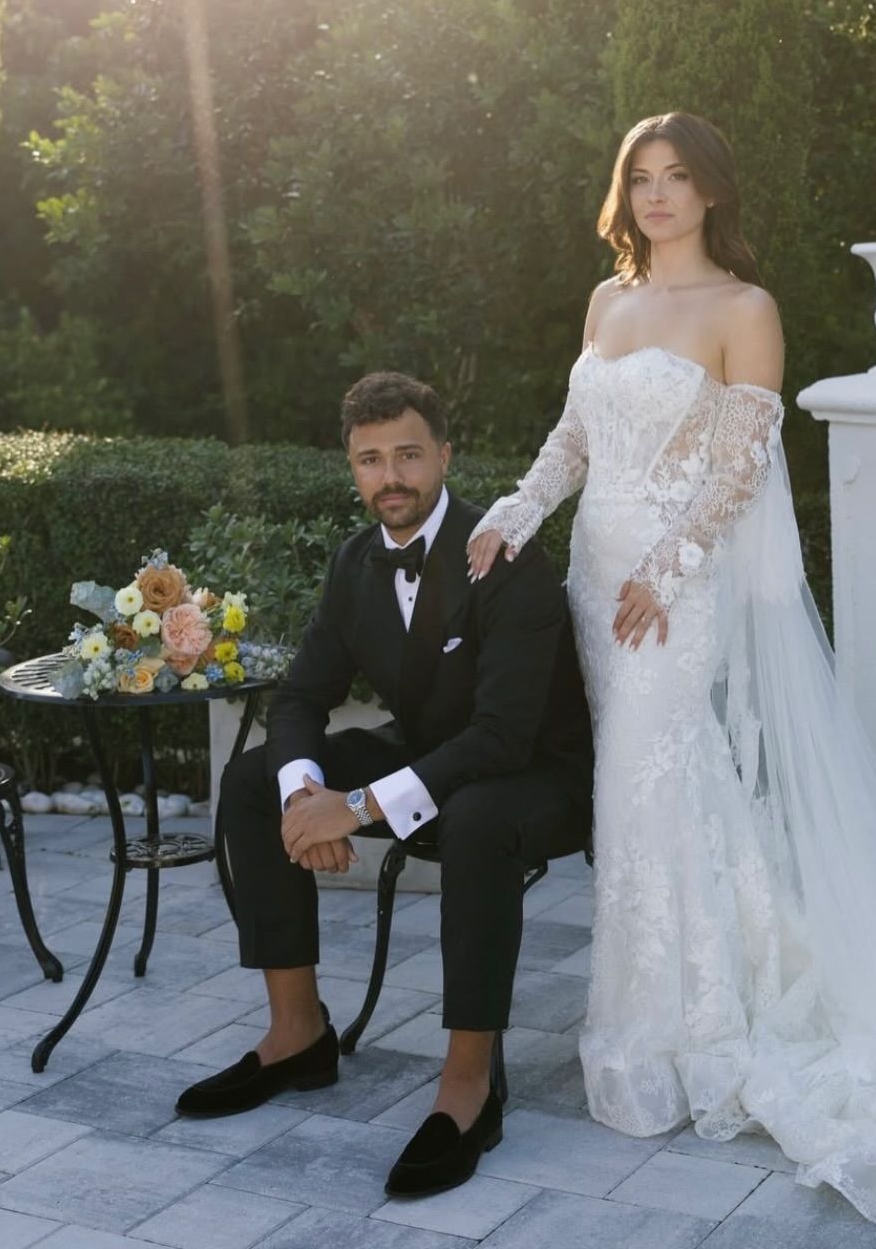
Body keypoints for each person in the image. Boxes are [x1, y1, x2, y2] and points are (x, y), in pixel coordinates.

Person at [467, 112, 876, 1248]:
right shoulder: (607, 301)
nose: (658, 195)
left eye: (678, 177)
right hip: (595, 579)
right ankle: (688, 995)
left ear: (712, 191)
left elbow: (739, 466)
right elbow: (574, 438)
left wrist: (669, 566)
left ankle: (680, 1035)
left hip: (671, 591)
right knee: (657, 795)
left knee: (646, 787)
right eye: (641, 178)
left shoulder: (744, 309)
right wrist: (516, 512)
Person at [176, 371, 593, 1200]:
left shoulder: (506, 554)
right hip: (433, 752)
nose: (390, 477)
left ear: (444, 455)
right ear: (352, 468)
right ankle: (298, 1035)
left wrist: (358, 807)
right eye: (371, 460)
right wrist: (306, 801)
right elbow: (301, 697)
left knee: (475, 820)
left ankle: (469, 1085)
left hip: (536, 772)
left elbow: (502, 736)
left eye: (408, 455)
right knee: (256, 779)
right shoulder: (355, 563)